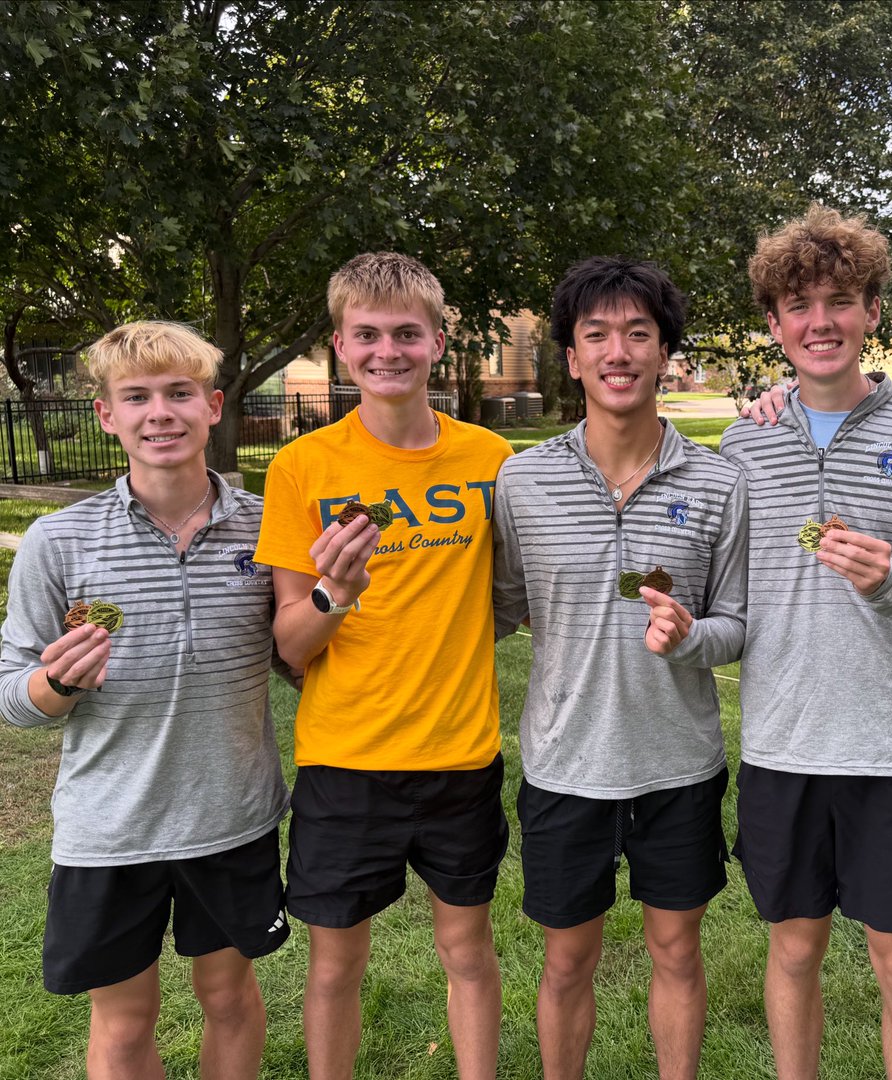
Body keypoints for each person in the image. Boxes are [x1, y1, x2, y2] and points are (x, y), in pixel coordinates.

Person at [721, 204, 892, 1080]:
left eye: (840, 300)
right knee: (793, 954)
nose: (820, 322)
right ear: (773, 324)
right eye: (799, 305)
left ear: (874, 310)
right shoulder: (741, 444)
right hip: (783, 746)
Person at [0, 321, 290, 1080]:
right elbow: (14, 695)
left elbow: (301, 653)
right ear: (107, 416)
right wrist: (57, 682)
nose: (159, 412)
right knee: (124, 1020)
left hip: (231, 815)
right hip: (110, 829)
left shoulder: (267, 528)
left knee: (228, 995)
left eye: (178, 393)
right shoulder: (58, 543)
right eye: (136, 397)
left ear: (214, 406)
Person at [253, 252, 512, 1080]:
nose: (387, 351)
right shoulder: (303, 468)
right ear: (339, 344)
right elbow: (290, 645)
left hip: (459, 755)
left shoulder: (493, 461)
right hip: (345, 760)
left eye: (407, 333)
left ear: (439, 341)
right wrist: (335, 590)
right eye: (367, 335)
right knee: (334, 968)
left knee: (467, 953)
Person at [492, 256, 748, 1080]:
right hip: (566, 763)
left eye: (639, 332)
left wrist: (690, 638)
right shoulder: (522, 479)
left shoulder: (718, 482)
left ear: (665, 350)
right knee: (567, 961)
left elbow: (738, 625)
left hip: (678, 763)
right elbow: (499, 605)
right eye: (596, 334)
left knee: (676, 951)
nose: (618, 351)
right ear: (570, 356)